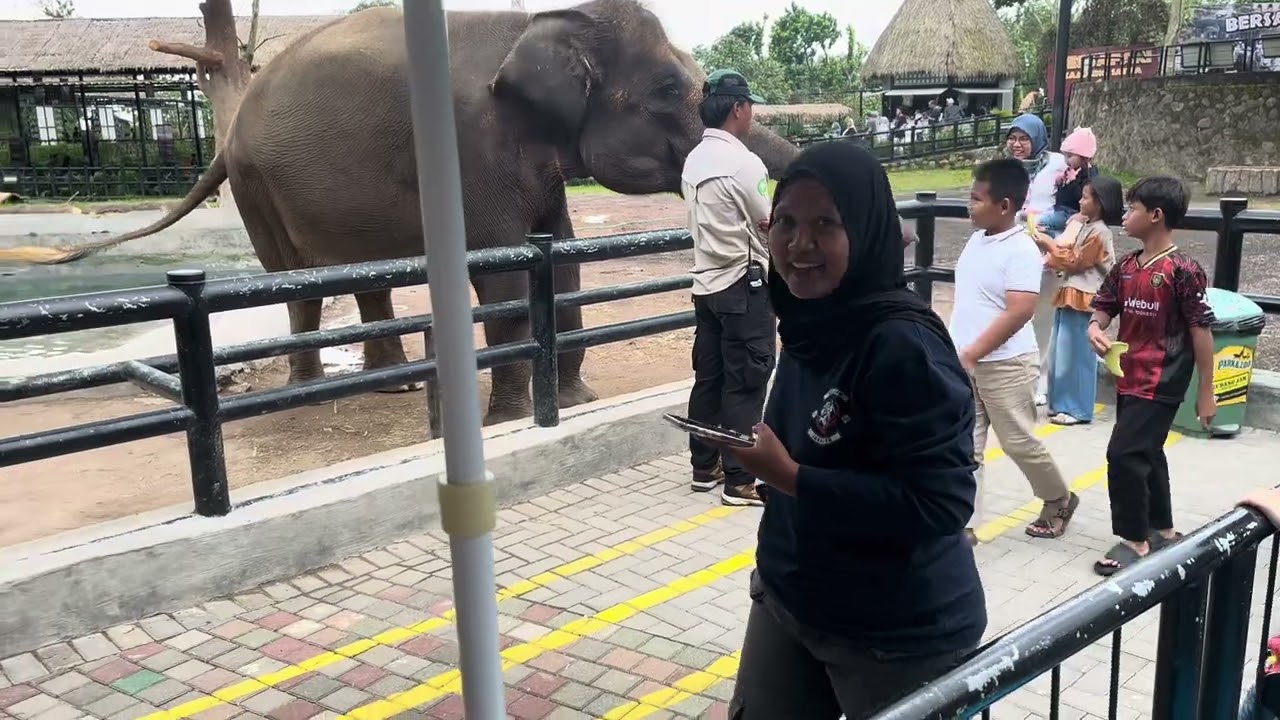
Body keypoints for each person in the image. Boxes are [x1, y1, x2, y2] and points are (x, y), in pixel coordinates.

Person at [709, 141, 985, 718]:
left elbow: (941, 503)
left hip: (894, 631)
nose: (799, 244)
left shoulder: (901, 345)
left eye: (825, 224)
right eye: (784, 222)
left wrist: (789, 477)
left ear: (864, 232)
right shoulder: (810, 322)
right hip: (791, 597)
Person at [1089, 176, 1216, 575]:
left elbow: (1201, 331)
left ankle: (1135, 539)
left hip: (1163, 379)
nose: (1124, 216)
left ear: (1156, 215)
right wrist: (1096, 326)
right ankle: (1163, 529)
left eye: (1132, 209)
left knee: (1123, 454)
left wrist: (1206, 392)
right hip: (1128, 373)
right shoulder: (1126, 266)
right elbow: (1105, 303)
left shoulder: (1184, 270)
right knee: (1148, 451)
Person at [952, 158, 1077, 542]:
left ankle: (1058, 499)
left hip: (1005, 365)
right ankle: (966, 524)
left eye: (976, 199)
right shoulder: (978, 239)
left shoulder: (1020, 249)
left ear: (1005, 205)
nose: (969, 205)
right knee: (966, 448)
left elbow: (1021, 309)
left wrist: (973, 353)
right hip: (965, 361)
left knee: (1018, 442)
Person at [680, 69, 777, 507]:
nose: (751, 113)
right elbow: (768, 223)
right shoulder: (744, 163)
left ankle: (705, 466)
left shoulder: (694, 160)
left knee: (710, 377)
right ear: (738, 108)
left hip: (706, 285)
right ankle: (740, 480)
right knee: (746, 380)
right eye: (750, 106)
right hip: (743, 282)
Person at [1035, 175, 1123, 426]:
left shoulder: (1100, 233)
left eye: (1086, 197)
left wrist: (1048, 244)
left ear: (1101, 203)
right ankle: (1060, 403)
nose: (1080, 201)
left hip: (1085, 297)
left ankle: (1078, 408)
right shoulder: (1084, 225)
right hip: (1070, 293)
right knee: (1060, 353)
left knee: (1078, 355)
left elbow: (1074, 261)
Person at [1006, 112, 1069, 407]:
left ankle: (1041, 380)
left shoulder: (1059, 165)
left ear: (1038, 139)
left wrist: (1043, 221)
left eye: (1024, 139)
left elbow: (1071, 204)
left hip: (1045, 250)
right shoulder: (1005, 168)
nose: (1017, 145)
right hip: (1012, 249)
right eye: (1013, 138)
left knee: (1043, 318)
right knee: (1013, 314)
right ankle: (1015, 377)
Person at [1039, 127, 1100, 235]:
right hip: (1060, 210)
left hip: (1072, 213)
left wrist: (1072, 182)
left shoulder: (1089, 175)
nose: (1066, 160)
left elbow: (1081, 197)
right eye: (1065, 156)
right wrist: (1060, 183)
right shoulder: (1072, 170)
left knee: (1041, 221)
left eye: (1070, 156)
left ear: (1084, 157)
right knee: (1052, 230)